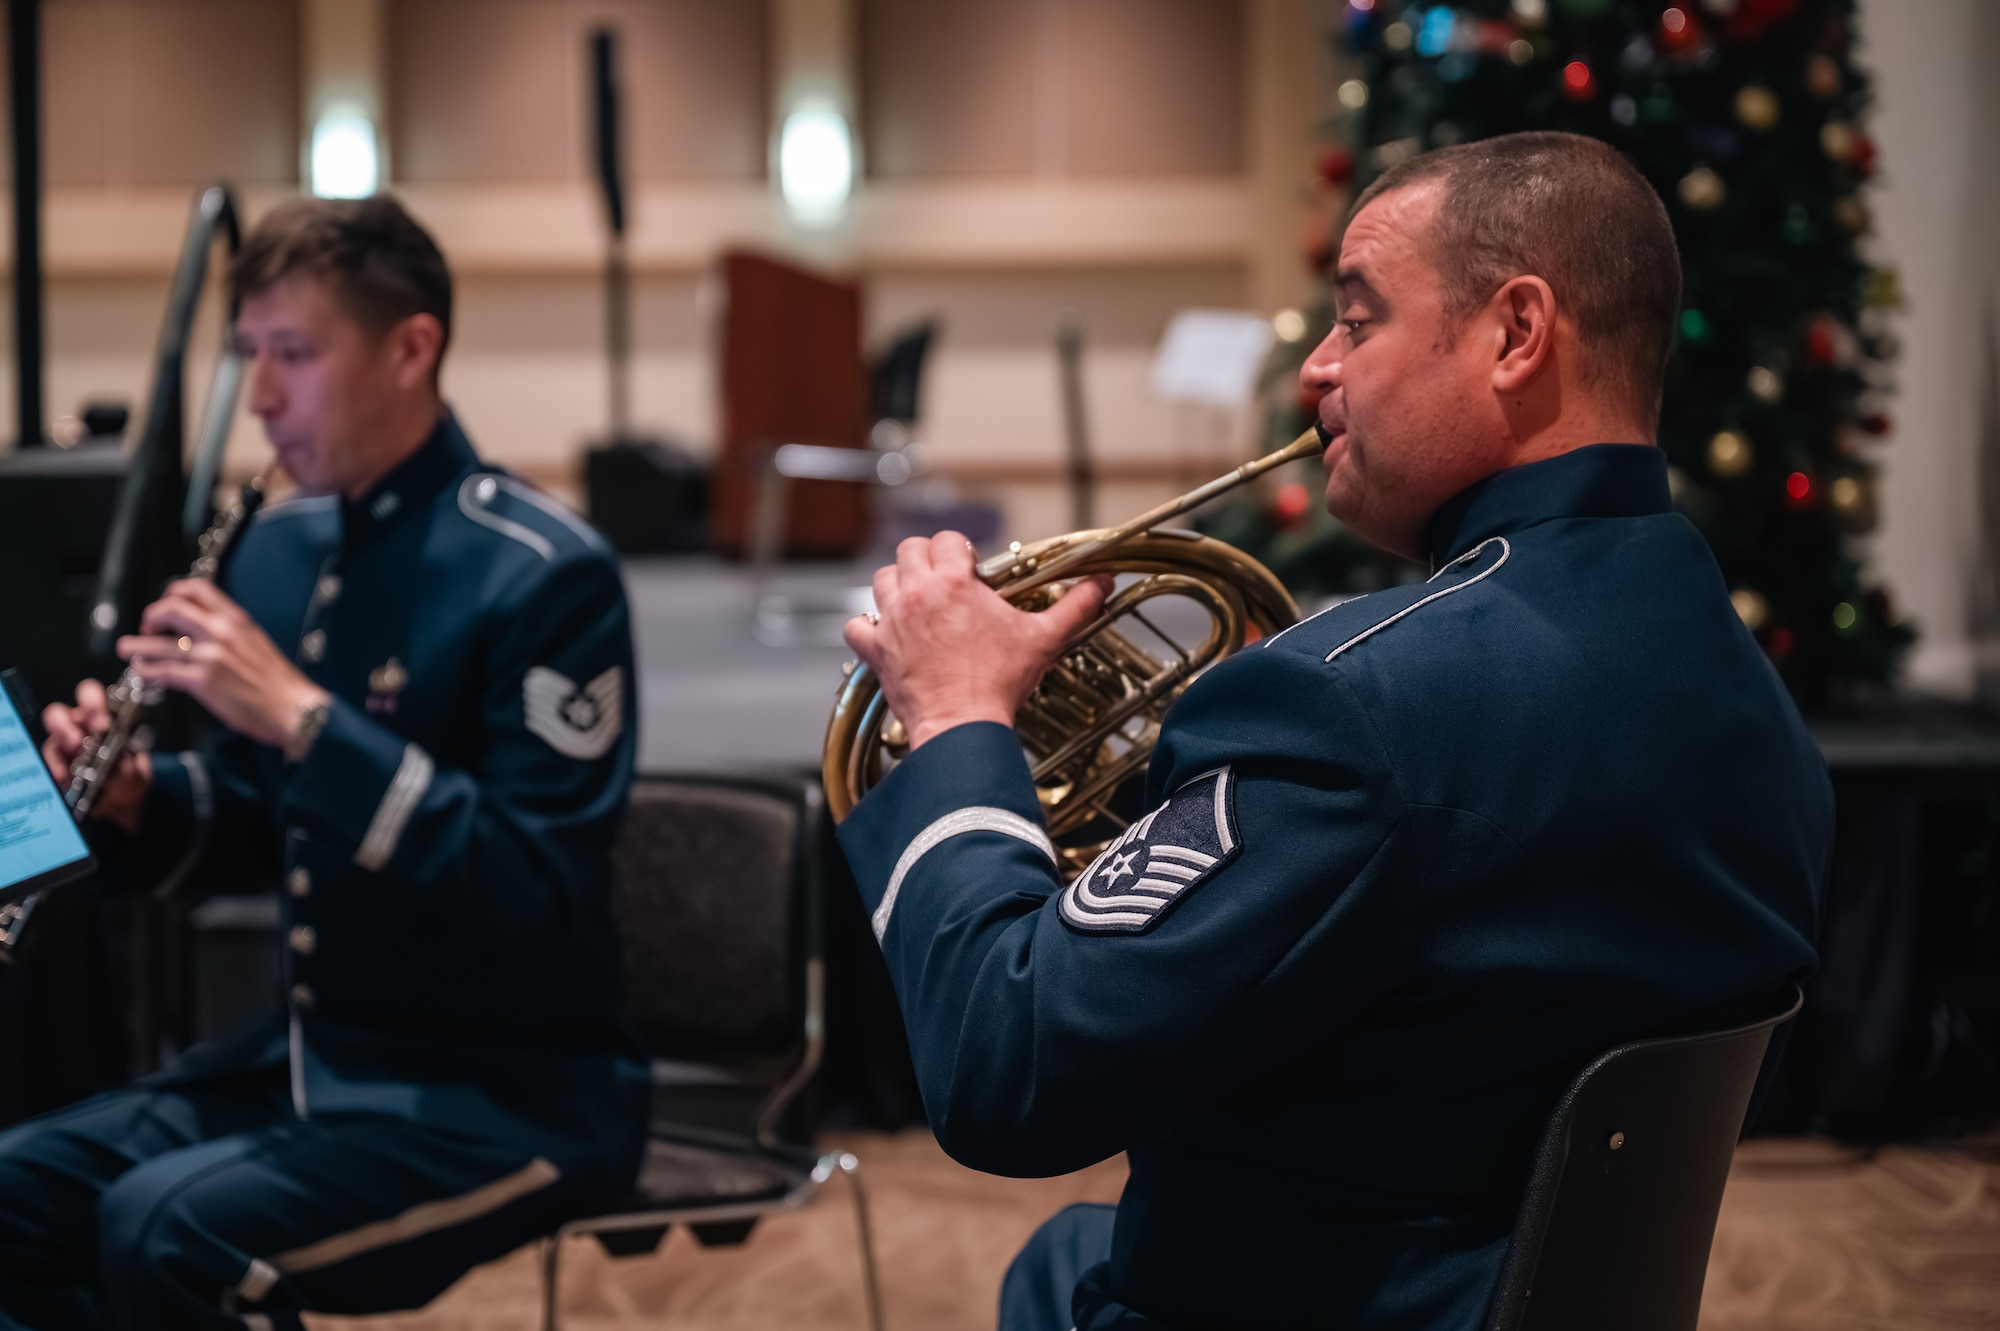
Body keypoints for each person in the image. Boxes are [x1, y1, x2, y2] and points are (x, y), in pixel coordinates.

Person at [836, 132, 1831, 1329]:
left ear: (1515, 334)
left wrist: (954, 719)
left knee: (1056, 1265)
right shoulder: (1738, 679)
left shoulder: (1358, 703)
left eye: (1356, 321)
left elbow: (1006, 1068)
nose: (1316, 368)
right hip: (1510, 1287)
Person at [0, 196, 645, 1327]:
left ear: (411, 348)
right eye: (252, 354)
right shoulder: (282, 546)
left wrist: (305, 718)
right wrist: (145, 797)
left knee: (168, 1231)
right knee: (13, 1192)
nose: (260, 396)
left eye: (293, 354)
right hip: (308, 1061)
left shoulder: (542, 571)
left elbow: (535, 884)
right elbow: (260, 816)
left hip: (507, 1094)